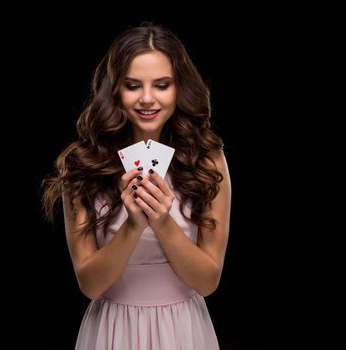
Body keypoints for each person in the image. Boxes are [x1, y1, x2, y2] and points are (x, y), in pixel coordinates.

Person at [42, 23, 231, 350]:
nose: (147, 99)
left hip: (183, 328)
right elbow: (90, 285)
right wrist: (132, 226)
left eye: (162, 85)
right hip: (112, 329)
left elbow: (208, 281)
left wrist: (161, 222)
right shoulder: (83, 163)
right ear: (115, 90)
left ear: (179, 89)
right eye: (133, 85)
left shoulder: (207, 161)